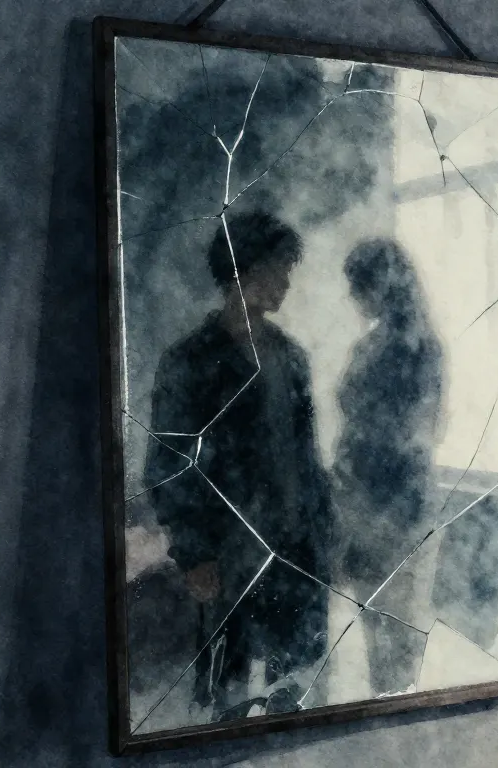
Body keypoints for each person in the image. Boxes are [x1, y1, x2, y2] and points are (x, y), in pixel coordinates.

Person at [144, 210, 334, 719]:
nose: (285, 282)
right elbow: (168, 463)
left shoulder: (291, 356)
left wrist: (322, 535)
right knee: (226, 697)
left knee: (294, 694)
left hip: (295, 553)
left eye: (287, 270)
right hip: (229, 555)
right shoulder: (188, 361)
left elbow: (307, 458)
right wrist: (194, 553)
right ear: (240, 271)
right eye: (275, 269)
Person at [333, 238, 444, 695]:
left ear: (384, 284)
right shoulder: (369, 345)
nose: (354, 296)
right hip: (361, 504)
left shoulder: (419, 349)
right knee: (374, 628)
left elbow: (414, 435)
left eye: (360, 285)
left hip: (399, 507)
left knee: (398, 635)